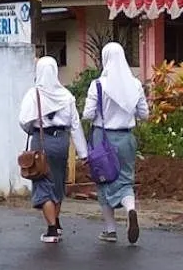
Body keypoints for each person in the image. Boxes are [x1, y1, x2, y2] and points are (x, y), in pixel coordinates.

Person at [83, 42, 149, 244]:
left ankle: (110, 230)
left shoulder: (98, 85)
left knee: (104, 180)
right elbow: (144, 114)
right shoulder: (135, 84)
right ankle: (131, 209)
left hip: (103, 140)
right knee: (125, 180)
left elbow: (87, 114)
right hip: (127, 138)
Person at [19, 56, 88, 244]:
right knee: (57, 182)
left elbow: (24, 121)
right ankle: (56, 222)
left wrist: (34, 129)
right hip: (62, 143)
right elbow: (75, 125)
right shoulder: (66, 96)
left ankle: (51, 230)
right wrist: (83, 153)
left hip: (42, 143)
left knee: (42, 183)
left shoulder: (34, 95)